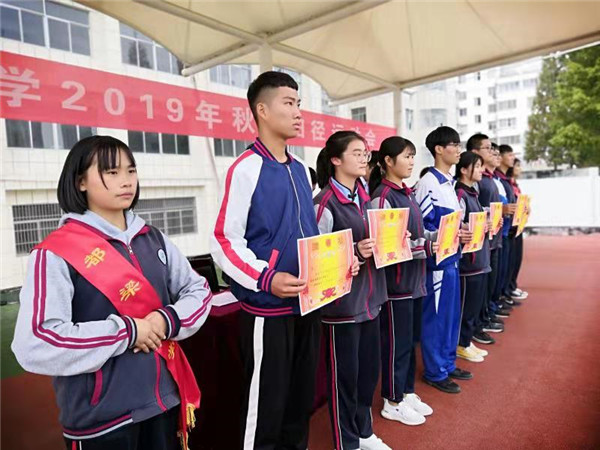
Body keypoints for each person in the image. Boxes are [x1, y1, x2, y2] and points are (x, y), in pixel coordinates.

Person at [12, 135, 212, 450]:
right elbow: (36, 342)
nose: (126, 181)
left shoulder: (153, 238)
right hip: (102, 421)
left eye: (130, 171)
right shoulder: (55, 253)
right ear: (80, 182)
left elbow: (198, 289)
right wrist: (127, 332)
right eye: (112, 172)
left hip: (164, 403)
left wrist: (165, 320)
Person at [210, 71, 322, 450]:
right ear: (262, 109)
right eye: (288, 103)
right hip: (268, 309)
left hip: (308, 304)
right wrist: (265, 277)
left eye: (299, 104)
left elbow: (309, 232)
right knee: (266, 408)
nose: (298, 113)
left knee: (298, 401)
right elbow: (224, 240)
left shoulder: (301, 170)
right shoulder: (246, 168)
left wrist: (339, 261)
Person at [314, 131, 390, 450]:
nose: (364, 158)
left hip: (372, 301)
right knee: (343, 380)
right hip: (342, 309)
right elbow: (314, 261)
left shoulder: (363, 195)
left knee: (367, 375)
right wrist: (354, 253)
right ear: (336, 159)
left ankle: (363, 432)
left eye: (365, 152)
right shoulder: (324, 203)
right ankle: (346, 442)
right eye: (357, 153)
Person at [369, 136, 436, 426]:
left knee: (409, 342)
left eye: (412, 156)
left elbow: (414, 235)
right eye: (406, 156)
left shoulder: (405, 192)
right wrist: (427, 246)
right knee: (396, 344)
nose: (411, 161)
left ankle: (406, 391)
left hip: (414, 280)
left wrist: (438, 239)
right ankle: (392, 400)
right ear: (387, 161)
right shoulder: (383, 196)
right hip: (396, 284)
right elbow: (387, 248)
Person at [414, 126, 473, 394]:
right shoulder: (428, 183)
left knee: (450, 317)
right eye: (454, 144)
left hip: (452, 260)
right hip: (436, 264)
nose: (459, 149)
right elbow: (419, 226)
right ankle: (435, 371)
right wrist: (442, 237)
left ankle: (447, 364)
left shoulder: (449, 183)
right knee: (436, 319)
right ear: (439, 149)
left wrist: (461, 234)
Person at [466, 134, 505, 343]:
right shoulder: (474, 185)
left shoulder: (490, 180)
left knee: (489, 284)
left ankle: (485, 316)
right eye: (488, 148)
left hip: (494, 238)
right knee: (476, 292)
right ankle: (477, 325)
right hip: (481, 245)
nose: (492, 152)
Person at [454, 151, 493, 361]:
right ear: (463, 169)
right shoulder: (459, 194)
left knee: (473, 305)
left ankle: (467, 341)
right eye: (477, 166)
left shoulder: (472, 193)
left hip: (480, 259)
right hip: (469, 263)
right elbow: (458, 226)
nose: (481, 170)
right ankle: (461, 343)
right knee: (465, 307)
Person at [495, 145, 520, 308]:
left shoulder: (503, 180)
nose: (512, 158)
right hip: (497, 235)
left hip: (507, 230)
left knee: (506, 267)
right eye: (509, 155)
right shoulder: (493, 181)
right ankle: (495, 303)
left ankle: (504, 293)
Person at [506, 158, 528, 300]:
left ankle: (511, 286)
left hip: (517, 226)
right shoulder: (506, 184)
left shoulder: (514, 184)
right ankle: (508, 289)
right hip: (509, 228)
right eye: (517, 165)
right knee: (509, 262)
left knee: (516, 259)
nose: (520, 168)